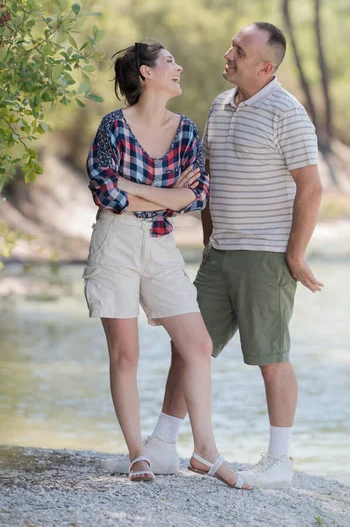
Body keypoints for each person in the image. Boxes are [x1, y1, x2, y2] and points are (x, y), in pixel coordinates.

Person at [145, 23, 323, 488]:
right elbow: (210, 183)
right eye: (232, 45)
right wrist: (208, 243)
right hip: (219, 253)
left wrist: (296, 255)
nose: (228, 54)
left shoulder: (288, 113)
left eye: (239, 51)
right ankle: (164, 445)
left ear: (266, 67)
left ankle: (279, 460)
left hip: (265, 256)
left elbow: (311, 187)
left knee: (271, 358)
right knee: (186, 346)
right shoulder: (220, 106)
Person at [83, 42, 251, 489]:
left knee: (197, 344)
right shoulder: (113, 127)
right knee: (126, 354)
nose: (179, 67)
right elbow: (105, 192)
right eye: (169, 62)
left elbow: (196, 197)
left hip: (160, 247)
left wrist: (137, 189)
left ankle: (205, 451)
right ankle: (139, 452)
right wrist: (165, 194)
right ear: (146, 73)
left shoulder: (186, 131)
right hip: (114, 243)